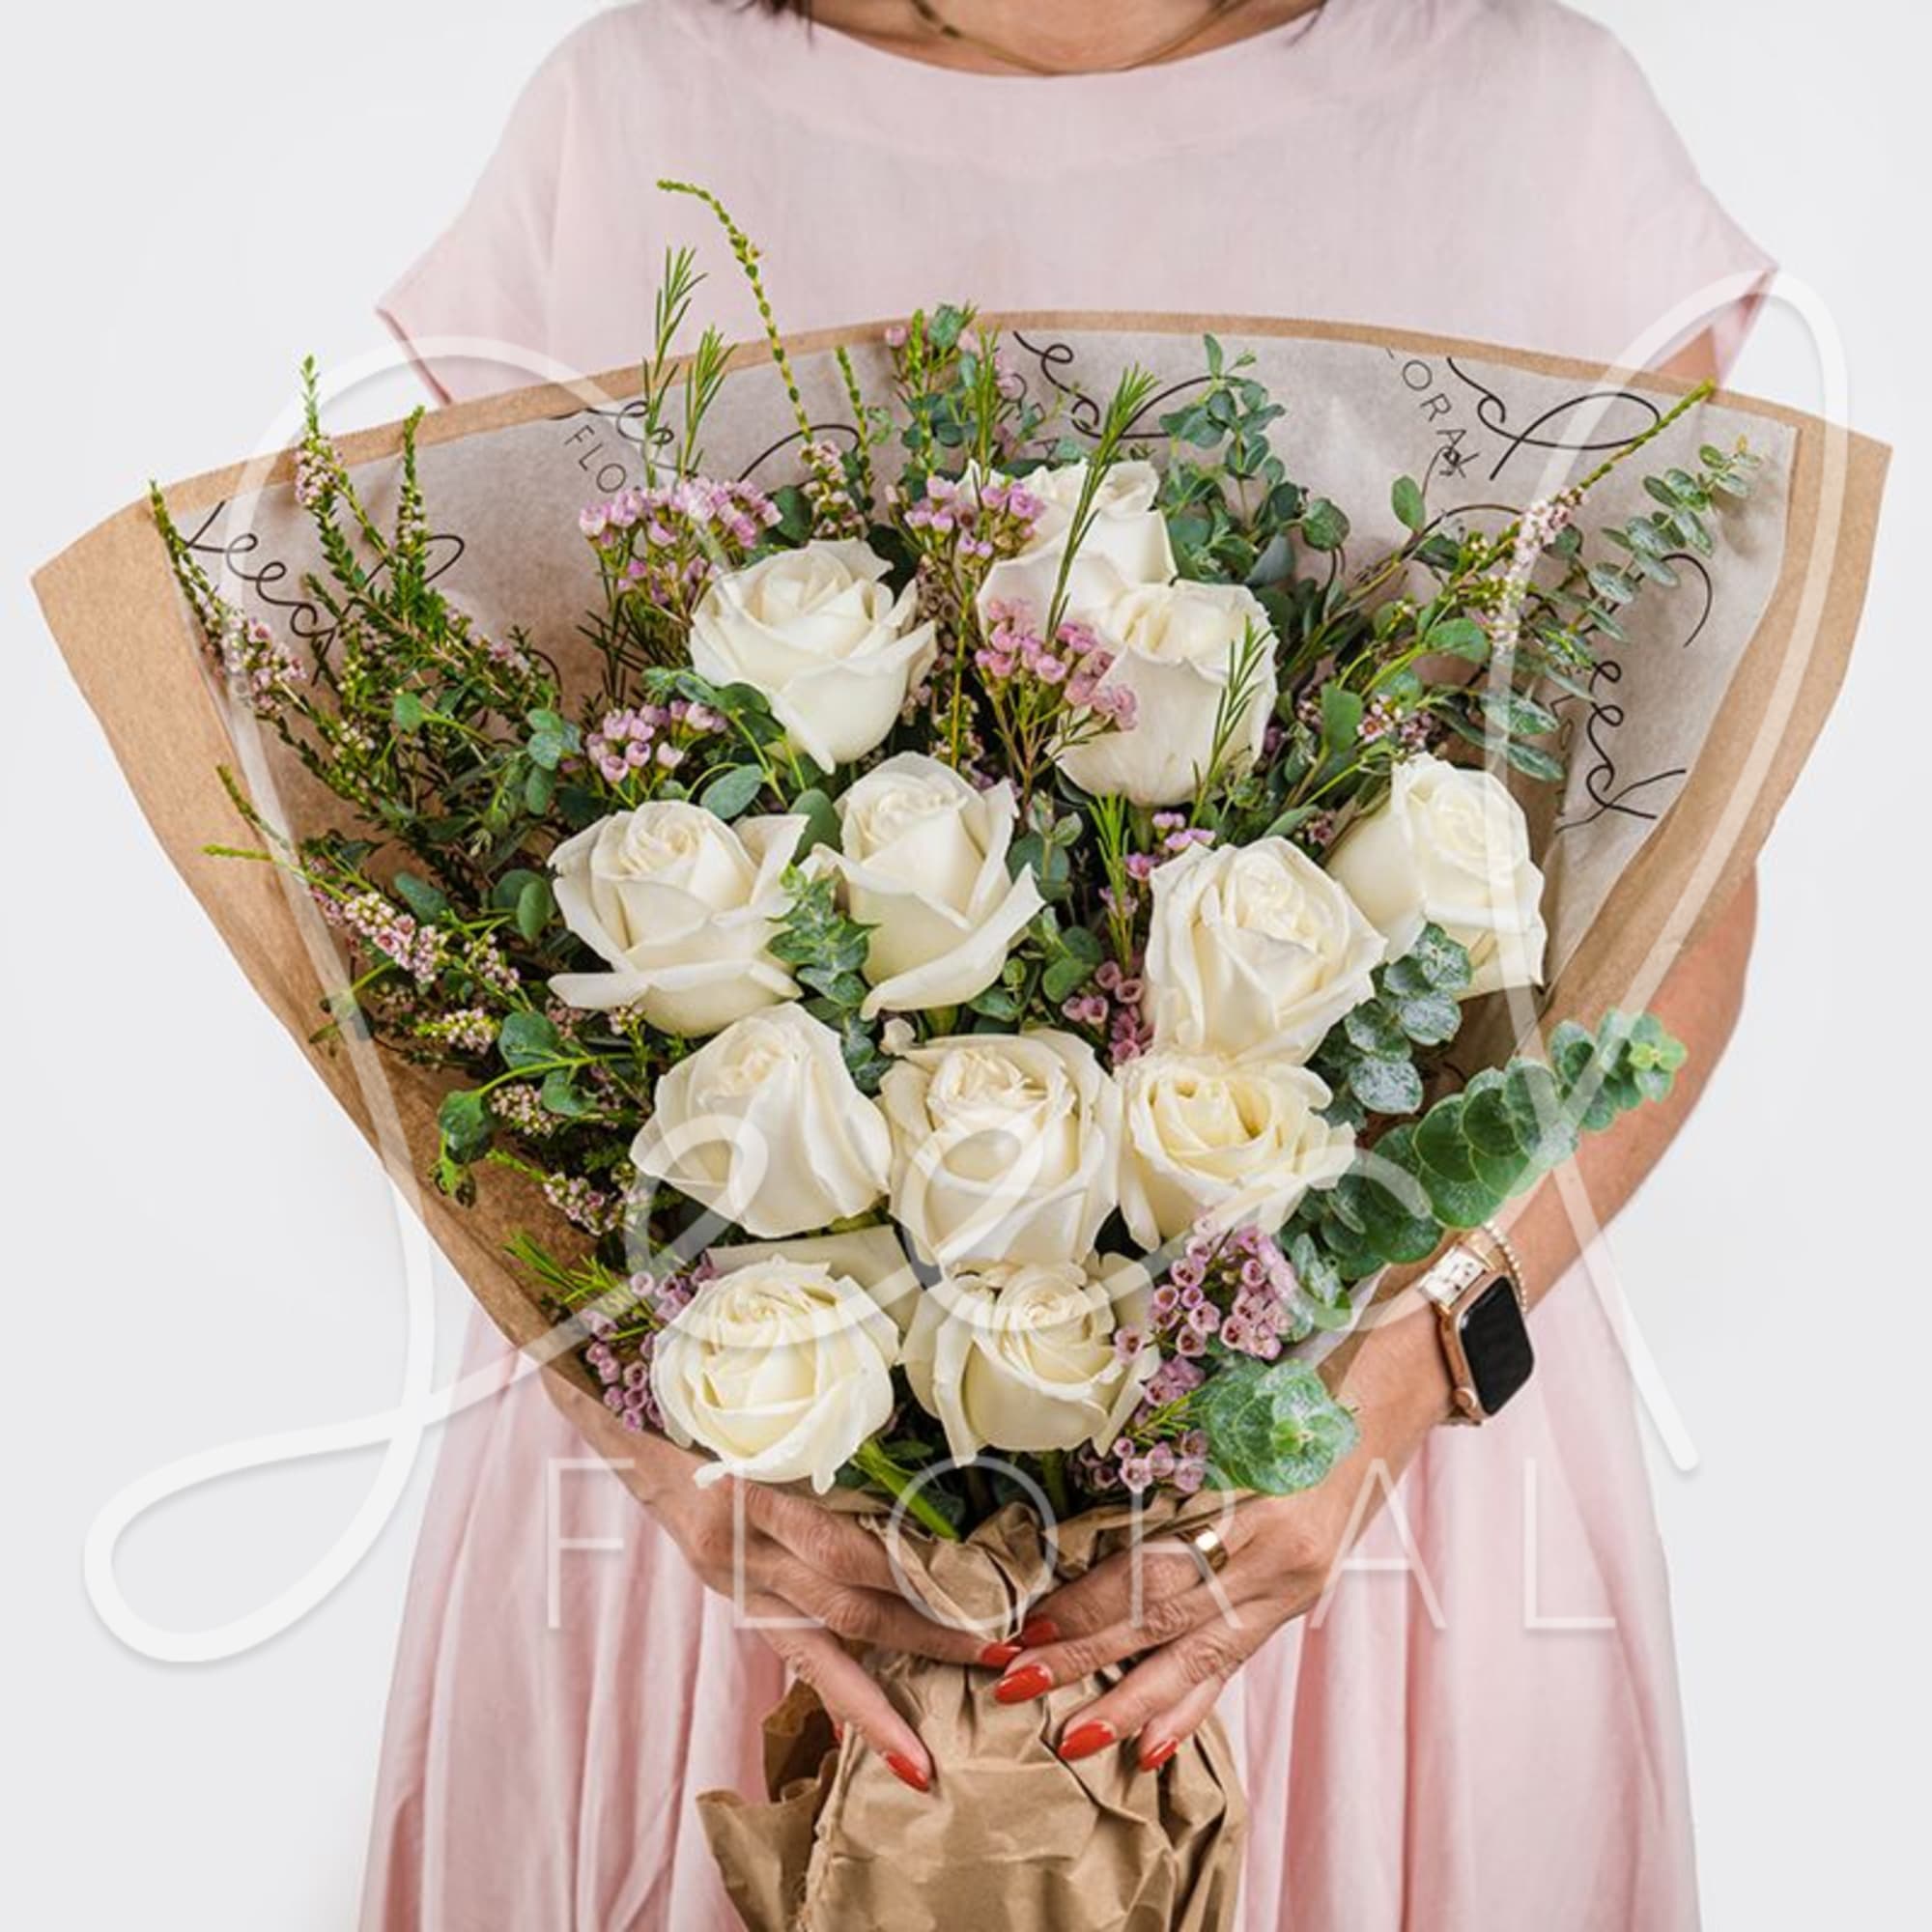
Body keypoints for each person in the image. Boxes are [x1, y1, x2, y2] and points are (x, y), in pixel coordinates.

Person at [364, 4, 1772, 1926]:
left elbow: (1676, 894)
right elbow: (437, 905)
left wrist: (1403, 1383)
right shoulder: (639, 118)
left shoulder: (1528, 124)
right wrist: (662, 1443)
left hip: (1354, 1513)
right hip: (745, 1515)